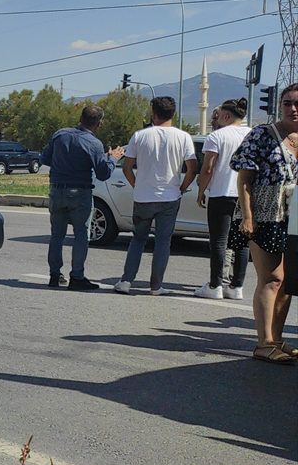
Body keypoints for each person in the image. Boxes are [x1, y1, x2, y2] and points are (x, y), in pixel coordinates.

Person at [229, 83, 298, 363]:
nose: (292, 108)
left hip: (294, 219)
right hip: (265, 215)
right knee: (272, 278)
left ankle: (277, 340)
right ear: (279, 106)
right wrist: (248, 217)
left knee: (288, 282)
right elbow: (244, 179)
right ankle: (263, 343)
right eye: (287, 103)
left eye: (297, 104)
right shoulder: (263, 134)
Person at [113, 96, 197, 296]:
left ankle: (126, 281)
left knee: (138, 239)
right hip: (169, 197)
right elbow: (193, 168)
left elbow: (127, 166)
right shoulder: (183, 137)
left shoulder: (140, 136)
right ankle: (156, 286)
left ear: (154, 113)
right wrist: (181, 188)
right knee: (162, 242)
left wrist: (137, 185)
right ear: (173, 114)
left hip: (143, 197)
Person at [41, 105, 120, 290]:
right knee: (80, 235)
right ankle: (77, 276)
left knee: (57, 235)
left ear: (81, 117)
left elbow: (45, 158)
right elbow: (103, 173)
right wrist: (113, 158)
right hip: (80, 193)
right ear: (99, 123)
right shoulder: (94, 144)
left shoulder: (60, 135)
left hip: (57, 190)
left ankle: (54, 275)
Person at [194, 98, 251, 300]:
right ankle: (236, 286)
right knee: (242, 242)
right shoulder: (252, 134)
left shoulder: (216, 136)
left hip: (221, 193)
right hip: (246, 195)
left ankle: (215, 285)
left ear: (226, 116)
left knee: (219, 240)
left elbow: (208, 167)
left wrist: (201, 190)